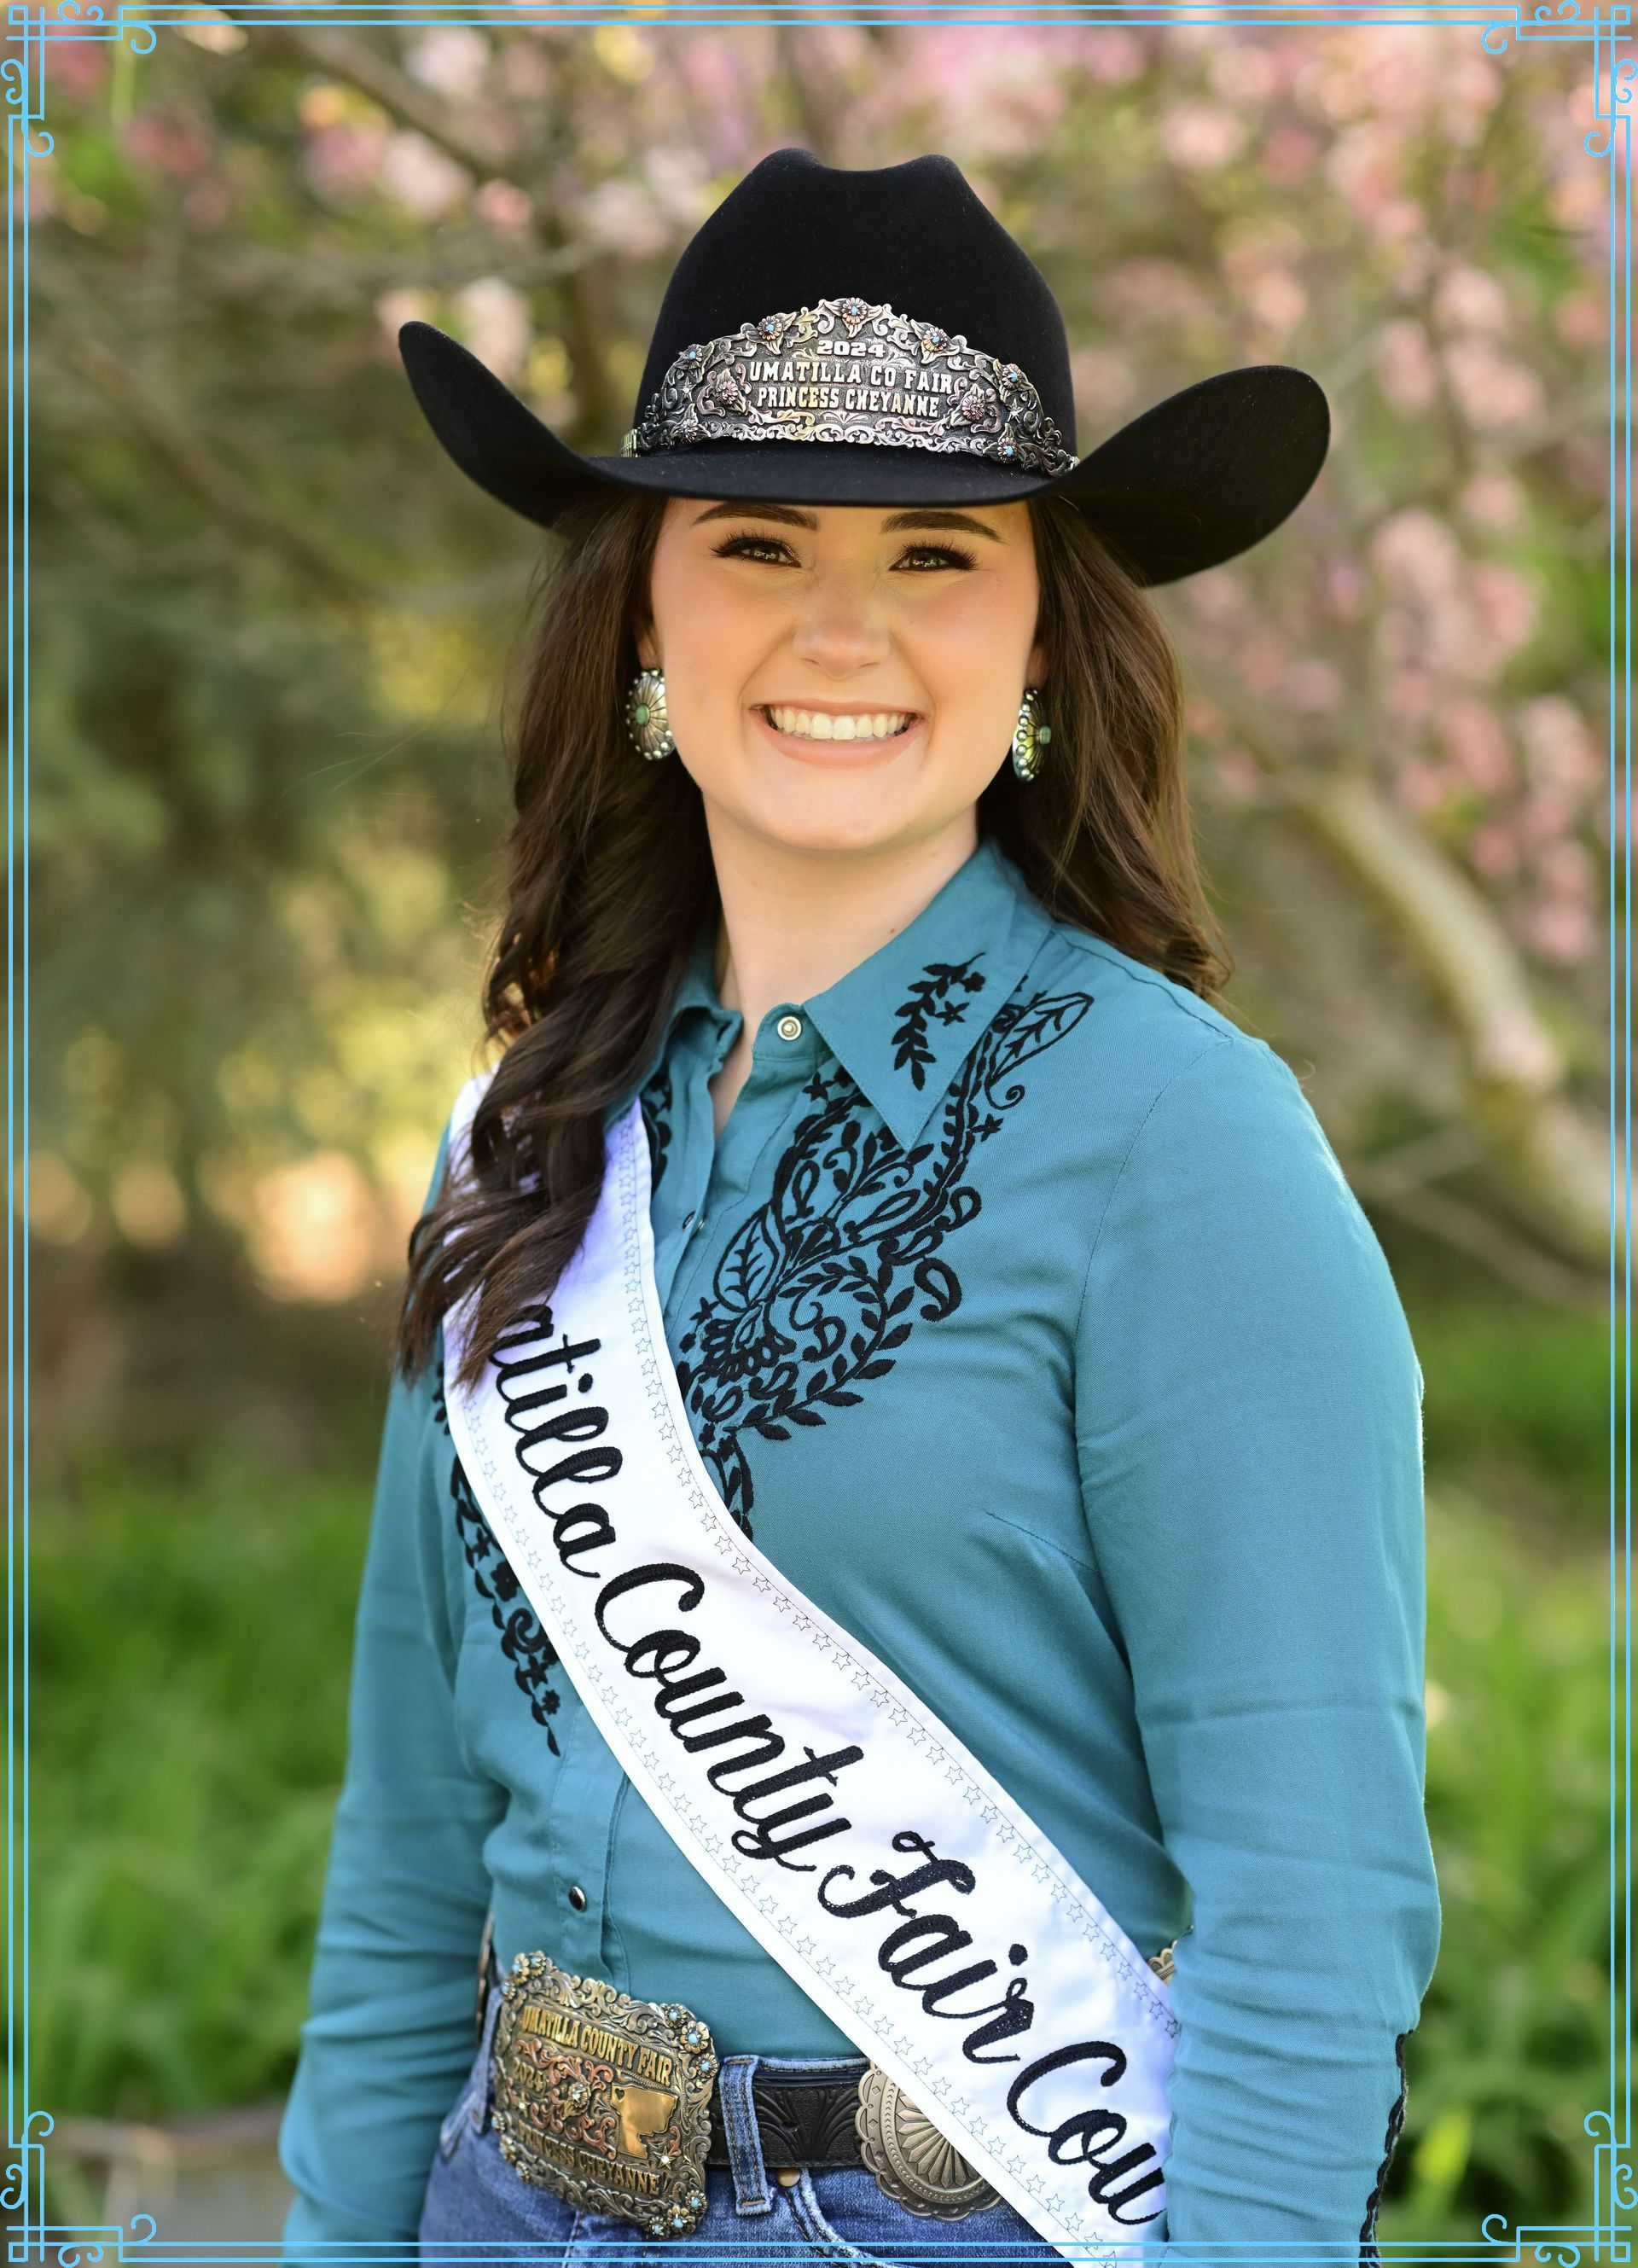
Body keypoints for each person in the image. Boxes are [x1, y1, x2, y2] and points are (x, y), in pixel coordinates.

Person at [277, 148, 1441, 2265]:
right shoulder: (528, 1139)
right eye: (755, 540)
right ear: (645, 611)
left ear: (1040, 651)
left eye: (934, 554)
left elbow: (1316, 1904)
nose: (842, 629)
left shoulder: (1187, 1147)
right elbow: (408, 1850)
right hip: (493, 2207)